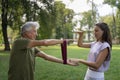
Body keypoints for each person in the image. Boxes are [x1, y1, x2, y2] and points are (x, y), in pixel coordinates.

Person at [8, 21, 78, 80]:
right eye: (35, 31)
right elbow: (45, 42)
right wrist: (63, 41)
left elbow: (46, 57)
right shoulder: (19, 42)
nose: (37, 34)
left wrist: (65, 62)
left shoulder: (32, 47)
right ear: (27, 33)